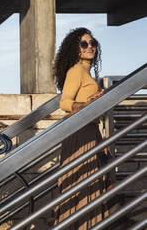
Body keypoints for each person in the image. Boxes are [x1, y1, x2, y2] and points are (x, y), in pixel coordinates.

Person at [53, 28, 110, 229]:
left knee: (88, 185)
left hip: (89, 131)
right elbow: (65, 103)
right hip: (78, 133)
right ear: (75, 49)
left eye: (92, 43)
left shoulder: (86, 71)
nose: (90, 47)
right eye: (84, 44)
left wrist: (100, 139)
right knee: (81, 185)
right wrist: (85, 105)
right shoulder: (76, 70)